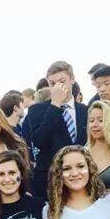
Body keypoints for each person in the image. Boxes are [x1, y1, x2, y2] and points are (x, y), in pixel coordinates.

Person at [24, 61, 89, 199]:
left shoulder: (85, 110)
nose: (58, 86)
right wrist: (55, 105)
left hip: (82, 180)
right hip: (51, 182)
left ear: (72, 80)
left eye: (62, 81)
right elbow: (40, 141)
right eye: (52, 83)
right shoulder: (36, 110)